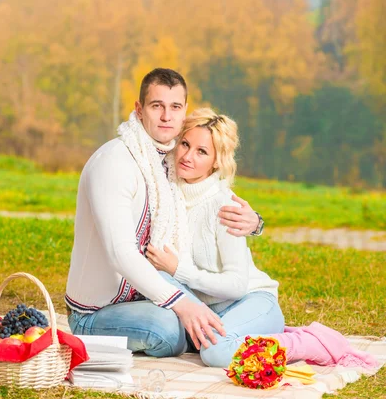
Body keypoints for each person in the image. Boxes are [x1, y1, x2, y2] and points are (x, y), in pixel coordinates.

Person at [146, 108, 378, 368]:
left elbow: (235, 285)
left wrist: (179, 269)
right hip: (210, 309)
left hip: (251, 299)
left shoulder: (225, 207)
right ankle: (260, 334)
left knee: (216, 353)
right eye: (185, 144)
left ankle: (307, 342)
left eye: (202, 151)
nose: (187, 156)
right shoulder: (167, 196)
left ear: (216, 161)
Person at [64, 68, 263, 357]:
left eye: (175, 107)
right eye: (157, 106)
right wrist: (181, 303)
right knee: (168, 329)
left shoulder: (172, 161)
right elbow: (120, 253)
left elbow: (212, 193)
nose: (166, 117)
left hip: (147, 295)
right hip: (98, 310)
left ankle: (234, 331)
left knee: (198, 318)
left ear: (184, 113)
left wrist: (255, 222)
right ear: (139, 109)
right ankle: (205, 335)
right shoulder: (115, 162)